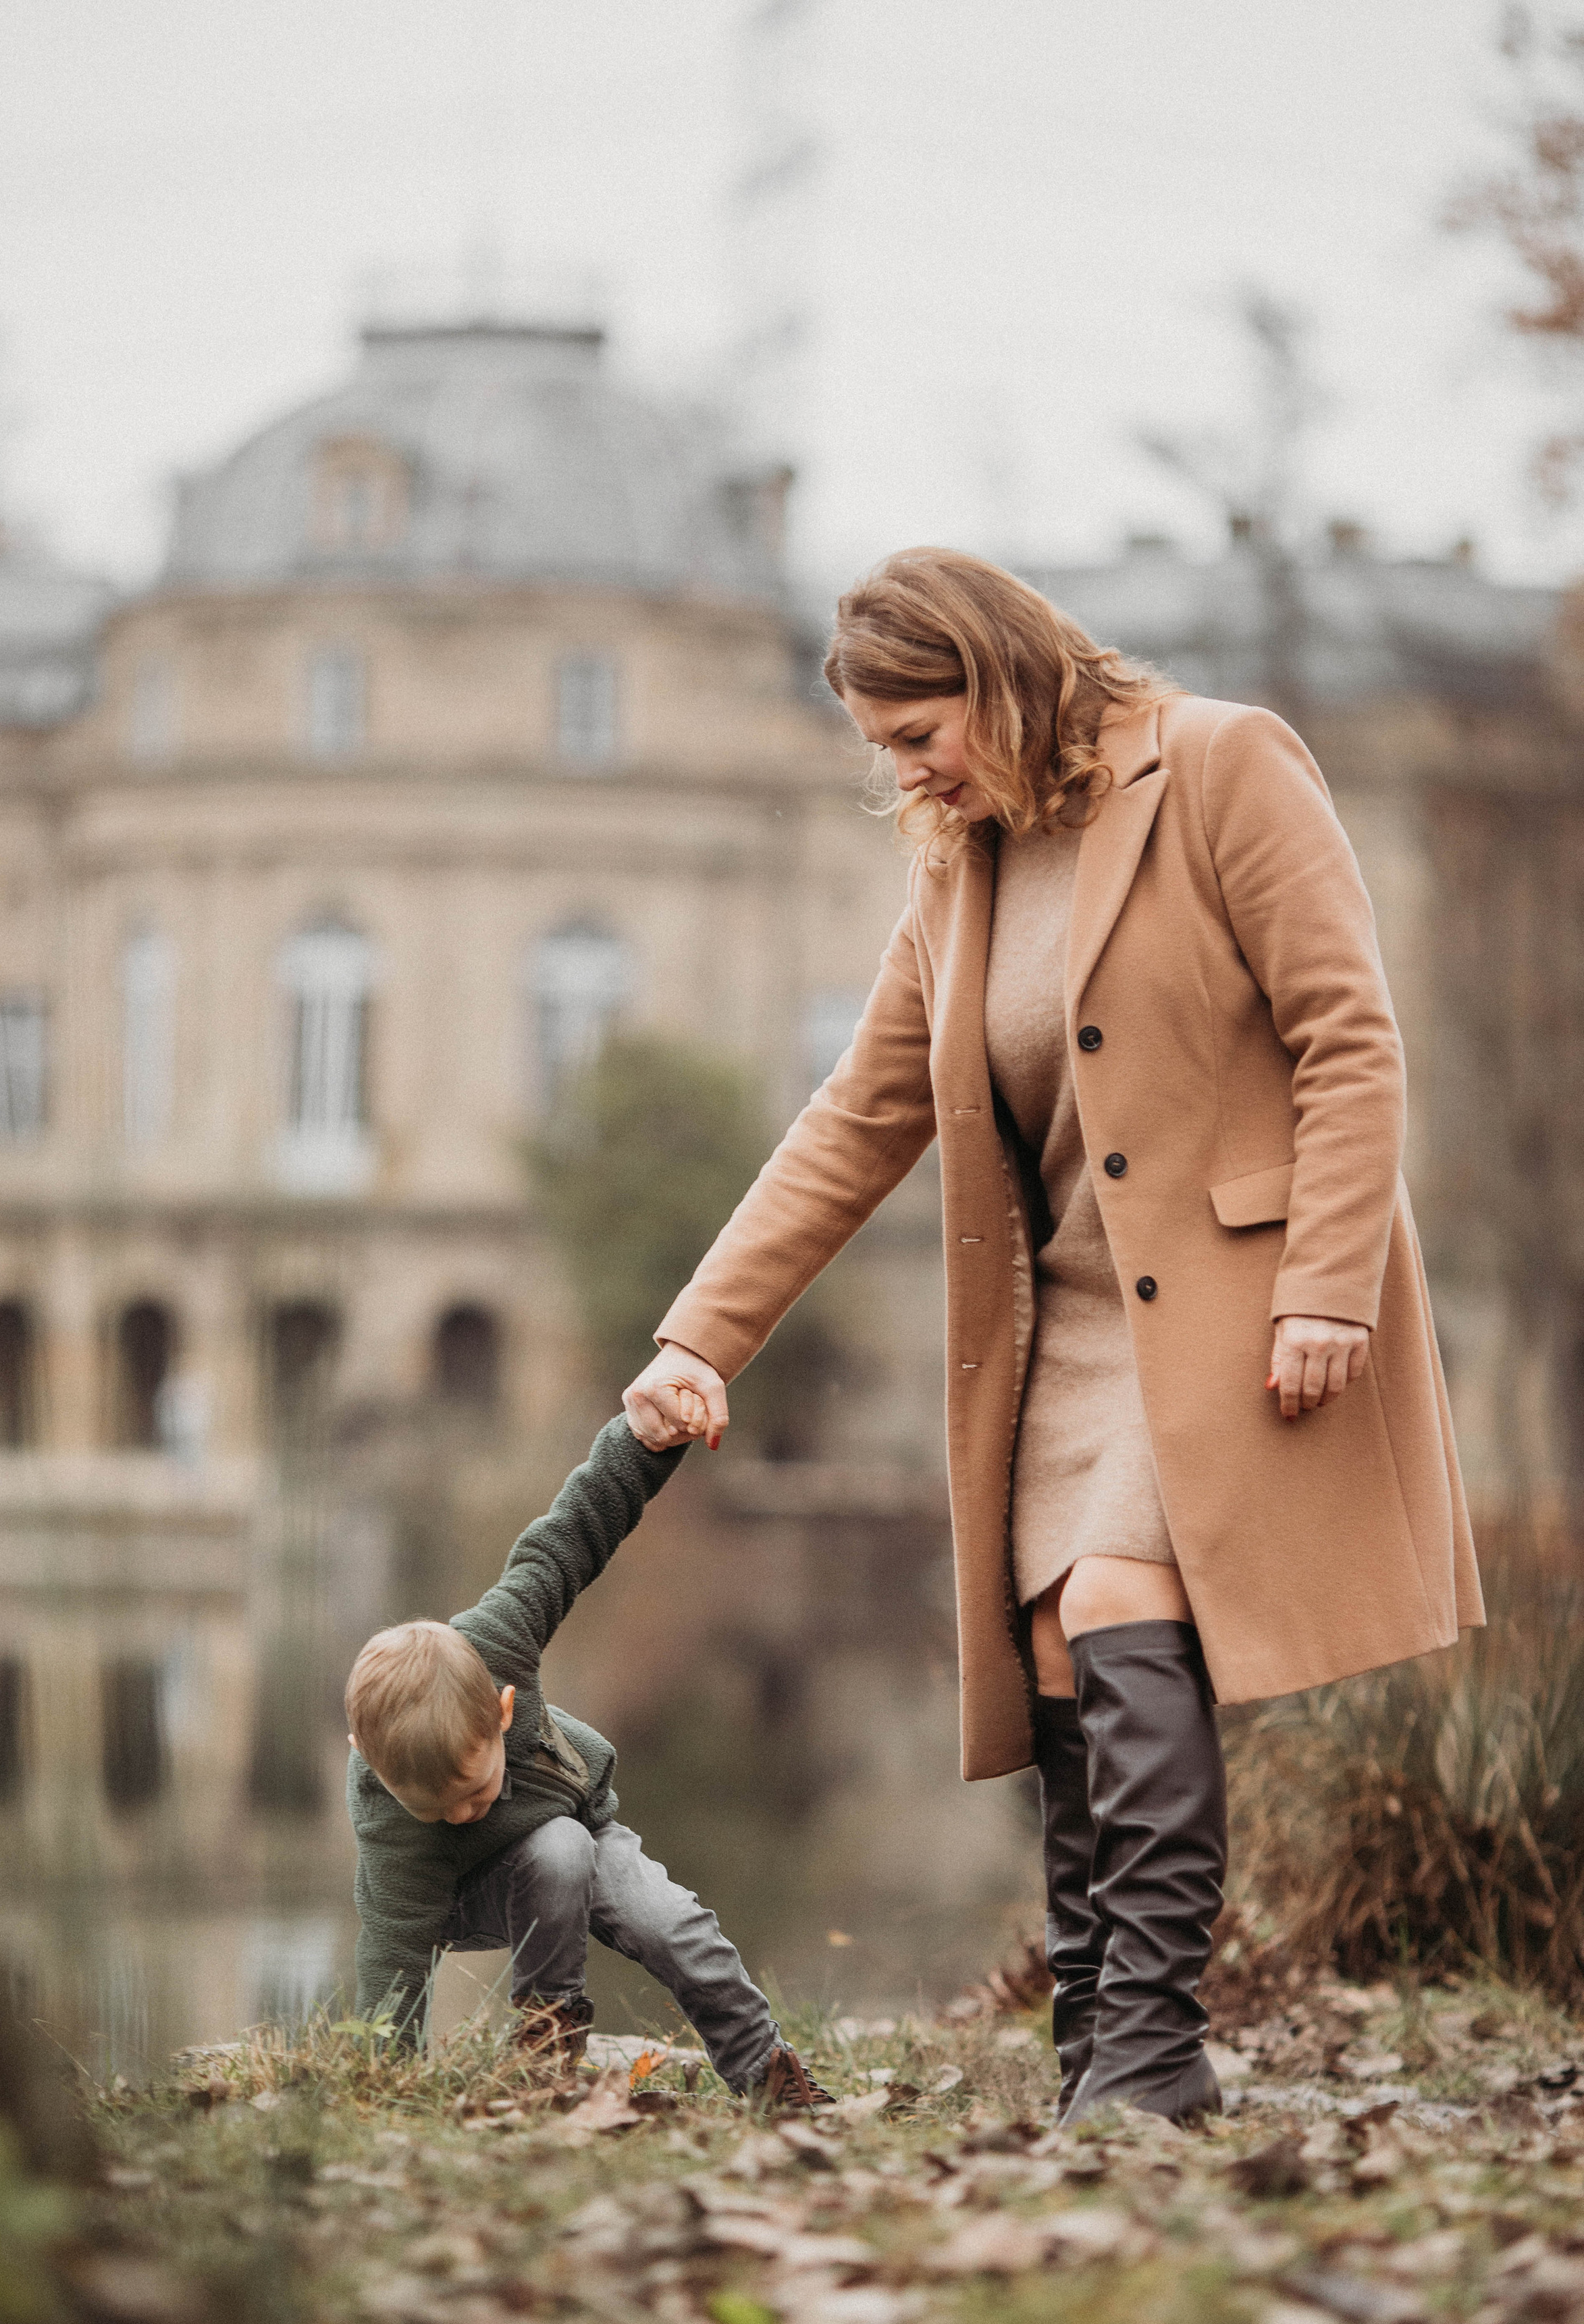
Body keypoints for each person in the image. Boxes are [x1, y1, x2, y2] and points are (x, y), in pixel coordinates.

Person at [624, 546, 1481, 2128]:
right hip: (1061, 1332)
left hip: (1229, 1298)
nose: (900, 771)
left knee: (1112, 1604)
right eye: (880, 746)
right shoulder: (955, 862)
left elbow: (1346, 1036)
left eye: (912, 731)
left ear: (998, 676)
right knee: (1066, 1665)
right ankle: (1096, 2034)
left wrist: (1323, 1281)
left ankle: (1149, 2052)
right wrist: (703, 1335)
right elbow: (858, 1116)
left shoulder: (1221, 763)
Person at [344, 1409, 830, 2108]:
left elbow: (571, 1537)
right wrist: (380, 2090)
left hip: (574, 1830)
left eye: (473, 1792)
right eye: (433, 1807)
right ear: (367, 1759)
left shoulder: (502, 1637)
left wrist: (648, 1435)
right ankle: (546, 2055)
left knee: (673, 1924)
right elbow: (392, 1960)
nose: (456, 1815)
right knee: (557, 1846)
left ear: (504, 1710)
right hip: (464, 1896)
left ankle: (770, 2081)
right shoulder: (393, 1823)